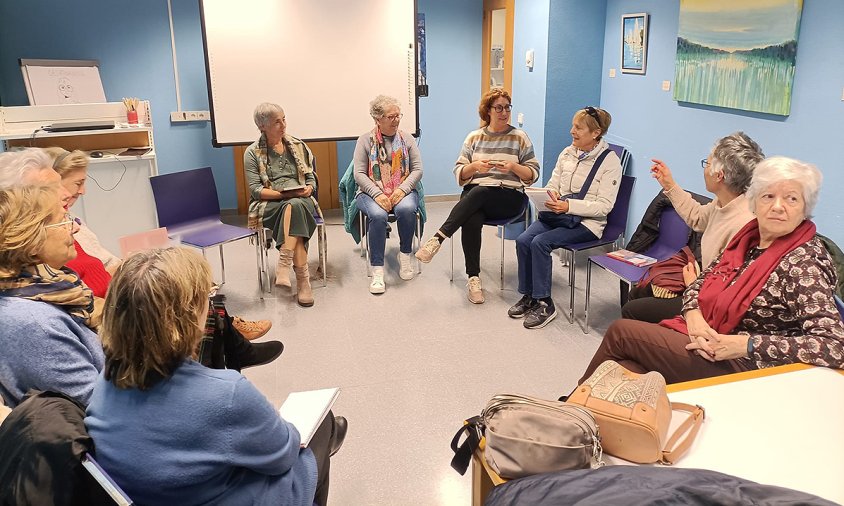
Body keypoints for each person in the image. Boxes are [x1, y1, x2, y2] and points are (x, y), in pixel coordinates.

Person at [85, 248, 347, 506]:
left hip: (165, 495)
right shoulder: (227, 394)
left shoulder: (104, 384)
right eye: (204, 299)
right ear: (186, 318)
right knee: (322, 426)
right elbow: (283, 454)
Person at [575, 157, 844, 386]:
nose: (777, 206)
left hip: (751, 367)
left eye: (791, 199)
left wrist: (746, 344)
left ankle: (570, 413)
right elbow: (702, 281)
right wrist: (693, 317)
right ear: (754, 201)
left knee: (622, 333)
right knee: (627, 367)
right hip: (710, 336)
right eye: (768, 196)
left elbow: (835, 345)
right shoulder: (749, 239)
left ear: (805, 209)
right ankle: (583, 419)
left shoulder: (803, 263)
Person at [47, 147, 273, 340]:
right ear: (54, 184)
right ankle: (231, 335)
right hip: (115, 293)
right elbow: (91, 280)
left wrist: (126, 262)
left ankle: (229, 333)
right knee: (177, 285)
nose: (83, 190)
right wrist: (125, 268)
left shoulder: (72, 221)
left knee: (189, 275)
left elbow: (100, 260)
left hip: (117, 280)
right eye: (78, 183)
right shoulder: (53, 235)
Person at [621, 133, 763, 323]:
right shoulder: (723, 202)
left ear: (719, 175)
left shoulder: (743, 224)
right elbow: (697, 218)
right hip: (700, 281)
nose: (704, 169)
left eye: (707, 163)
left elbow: (730, 286)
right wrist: (669, 185)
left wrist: (694, 283)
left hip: (707, 300)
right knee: (639, 292)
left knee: (632, 310)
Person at [415, 89, 540, 304]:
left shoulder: (520, 137)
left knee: (479, 191)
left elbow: (533, 173)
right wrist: (473, 167)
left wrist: (513, 167)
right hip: (476, 197)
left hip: (509, 199)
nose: (504, 112)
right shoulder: (474, 137)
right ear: (487, 111)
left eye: (507, 107)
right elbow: (459, 173)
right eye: (498, 107)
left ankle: (438, 238)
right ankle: (474, 279)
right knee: (472, 216)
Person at [508, 106, 622, 329]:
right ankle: (529, 295)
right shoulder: (567, 153)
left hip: (587, 223)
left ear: (596, 133)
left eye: (578, 128)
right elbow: (554, 183)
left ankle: (544, 303)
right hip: (558, 215)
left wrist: (568, 205)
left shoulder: (610, 162)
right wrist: (549, 196)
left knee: (540, 243)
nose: (572, 131)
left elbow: (604, 207)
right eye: (573, 126)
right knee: (523, 240)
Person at [0, 184, 102, 407]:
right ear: (32, 241)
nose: (74, 228)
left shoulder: (48, 290)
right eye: (65, 220)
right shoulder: (36, 324)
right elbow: (99, 406)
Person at [245, 102, 319, 307]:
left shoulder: (298, 145)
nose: (283, 124)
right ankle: (304, 283)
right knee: (293, 207)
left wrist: (309, 189)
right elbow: (256, 191)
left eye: (284, 119)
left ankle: (284, 265)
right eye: (277, 122)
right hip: (269, 204)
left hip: (302, 200)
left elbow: (311, 178)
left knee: (295, 205)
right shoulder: (252, 153)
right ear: (262, 126)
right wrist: (283, 194)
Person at [354, 95, 423, 294]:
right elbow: (358, 174)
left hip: (403, 189)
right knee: (378, 215)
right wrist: (377, 194)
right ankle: (377, 270)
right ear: (377, 119)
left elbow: (417, 169)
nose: (396, 120)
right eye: (390, 117)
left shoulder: (406, 139)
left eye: (398, 115)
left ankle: (405, 255)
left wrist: (402, 189)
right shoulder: (365, 141)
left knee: (408, 209)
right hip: (370, 192)